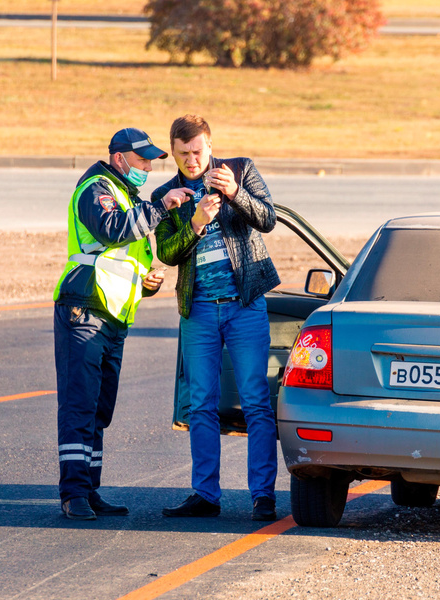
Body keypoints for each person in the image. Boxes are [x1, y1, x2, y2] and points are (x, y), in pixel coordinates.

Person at [54, 127, 192, 520]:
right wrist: (163, 205)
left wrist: (147, 282)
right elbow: (112, 229)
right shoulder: (97, 189)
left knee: (99, 410)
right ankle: (73, 493)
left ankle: (90, 489)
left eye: (150, 161)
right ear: (119, 159)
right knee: (79, 405)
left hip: (113, 316)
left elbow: (124, 258)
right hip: (84, 309)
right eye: (142, 159)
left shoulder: (127, 197)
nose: (148, 167)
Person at [152, 115, 281, 521]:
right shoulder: (166, 194)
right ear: (173, 152)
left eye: (198, 151)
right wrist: (195, 223)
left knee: (257, 401)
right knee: (201, 405)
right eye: (183, 153)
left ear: (210, 146)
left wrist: (236, 193)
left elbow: (268, 219)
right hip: (200, 309)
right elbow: (168, 253)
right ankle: (205, 496)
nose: (192, 160)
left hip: (244, 305)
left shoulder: (239, 170)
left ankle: (263, 496)